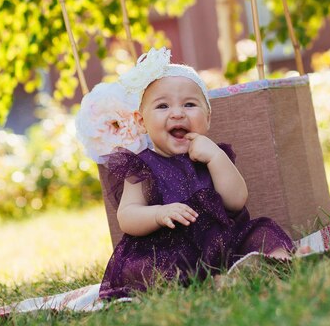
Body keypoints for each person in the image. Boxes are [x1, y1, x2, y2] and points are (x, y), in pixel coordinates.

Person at [99, 47, 294, 301]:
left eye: (190, 104)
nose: (178, 113)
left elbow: (235, 200)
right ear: (141, 121)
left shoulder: (214, 155)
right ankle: (205, 283)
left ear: (208, 118)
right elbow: (127, 216)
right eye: (162, 106)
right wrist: (158, 214)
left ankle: (268, 263)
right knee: (151, 268)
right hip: (169, 248)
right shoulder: (141, 167)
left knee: (261, 231)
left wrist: (215, 157)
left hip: (225, 241)